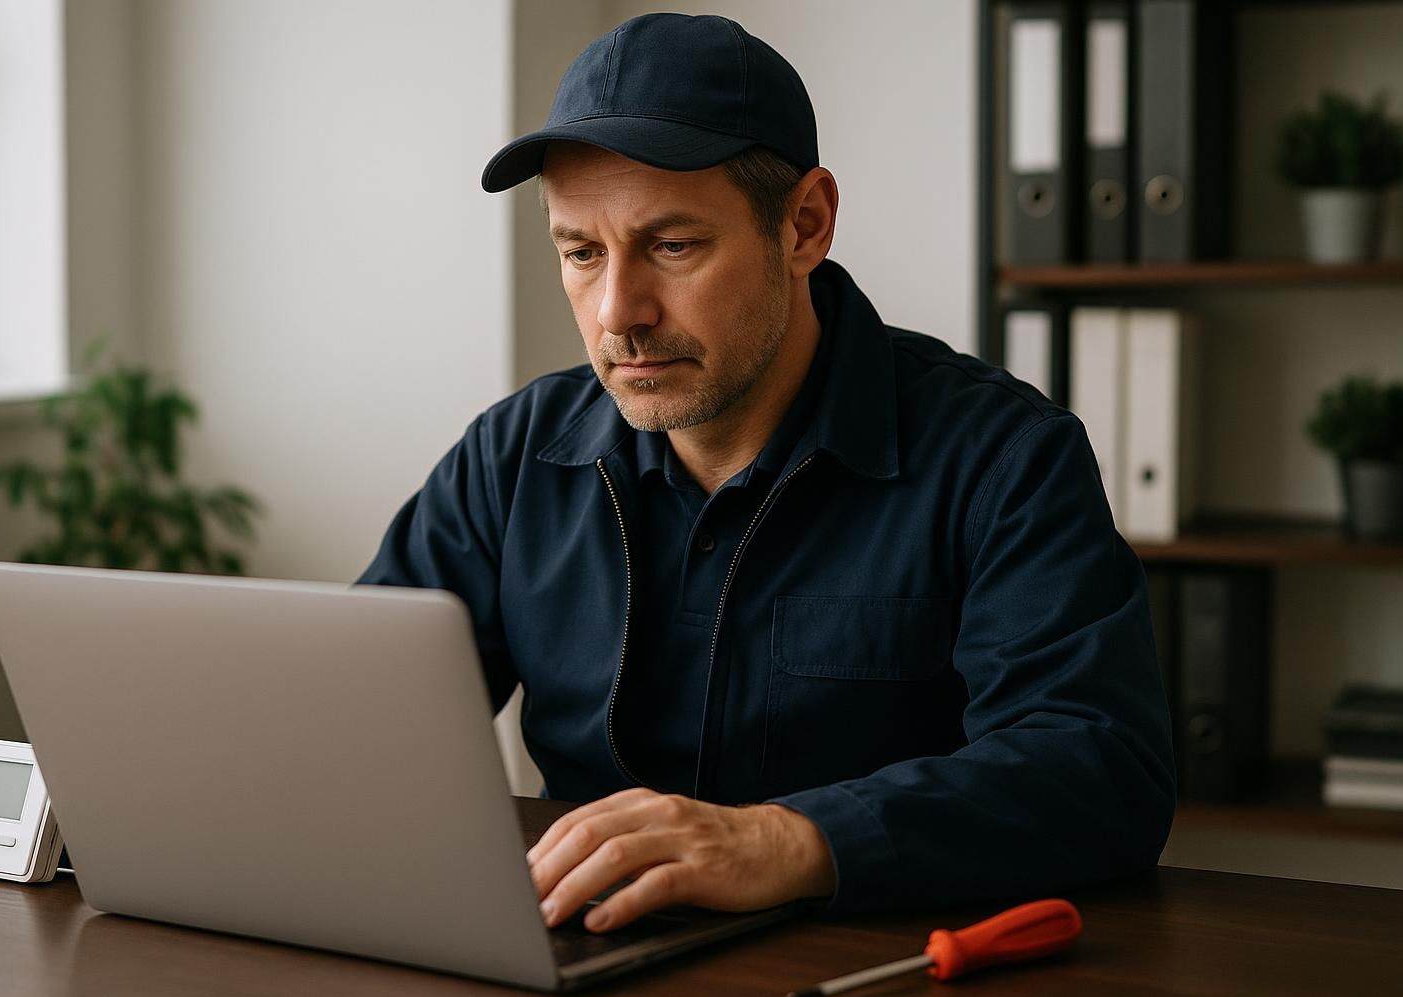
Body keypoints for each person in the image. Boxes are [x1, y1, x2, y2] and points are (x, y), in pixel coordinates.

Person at [359, 13, 1175, 935]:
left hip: (875, 969)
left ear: (805, 225)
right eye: (582, 253)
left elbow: (1102, 772)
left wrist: (787, 842)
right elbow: (358, 721)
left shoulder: (1004, 458)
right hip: (582, 947)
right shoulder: (510, 459)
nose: (618, 312)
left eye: (672, 246)